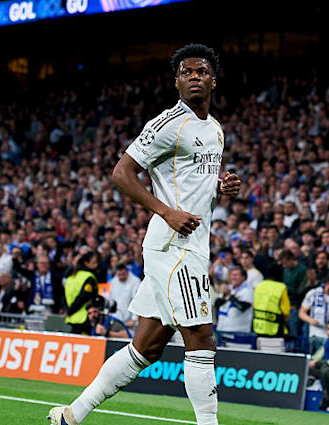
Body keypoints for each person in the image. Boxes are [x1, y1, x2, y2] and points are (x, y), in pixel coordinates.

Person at [48, 44, 241, 425]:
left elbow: (192, 185)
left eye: (201, 71)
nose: (194, 77)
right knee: (201, 338)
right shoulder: (168, 123)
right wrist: (166, 212)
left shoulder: (215, 130)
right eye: (186, 73)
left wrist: (222, 188)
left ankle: (72, 414)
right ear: (177, 82)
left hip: (192, 244)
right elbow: (121, 173)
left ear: (214, 80)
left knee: (147, 347)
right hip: (173, 245)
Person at [299, 272, 329, 353]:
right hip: (316, 333)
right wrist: (310, 320)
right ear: (327, 284)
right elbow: (301, 313)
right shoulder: (313, 293)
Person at [64, 251, 101, 335]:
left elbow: (64, 296)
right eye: (94, 262)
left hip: (71, 318)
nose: (96, 265)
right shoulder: (88, 277)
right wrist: (71, 310)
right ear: (86, 263)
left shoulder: (71, 276)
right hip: (84, 318)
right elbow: (83, 297)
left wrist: (67, 310)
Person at [252, 263, 290, 337]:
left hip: (258, 326)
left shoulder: (259, 285)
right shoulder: (281, 287)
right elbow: (285, 311)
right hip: (275, 327)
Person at [214, 267, 254, 333]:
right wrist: (223, 295)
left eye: (236, 275)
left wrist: (229, 295)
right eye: (232, 275)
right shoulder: (228, 288)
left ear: (243, 277)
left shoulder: (248, 290)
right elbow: (217, 305)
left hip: (238, 331)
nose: (233, 277)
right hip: (221, 329)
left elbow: (242, 307)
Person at [108, 263, 140, 330]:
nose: (122, 277)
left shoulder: (135, 281)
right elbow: (111, 298)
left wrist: (134, 319)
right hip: (115, 319)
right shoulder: (114, 281)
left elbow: (137, 301)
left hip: (129, 321)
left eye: (124, 274)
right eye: (119, 275)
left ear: (127, 271)